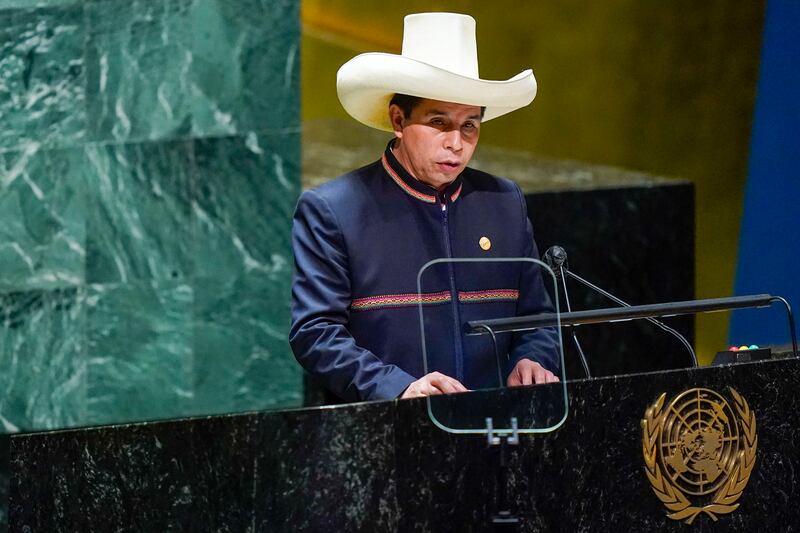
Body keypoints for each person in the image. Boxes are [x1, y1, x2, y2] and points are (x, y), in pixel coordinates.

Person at [290, 12, 560, 402]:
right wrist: (398, 386)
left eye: (470, 124)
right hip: (385, 437)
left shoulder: (503, 202)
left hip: (495, 433)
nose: (456, 142)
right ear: (398, 119)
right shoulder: (333, 210)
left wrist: (532, 358)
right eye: (439, 122)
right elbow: (315, 333)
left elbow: (536, 317)